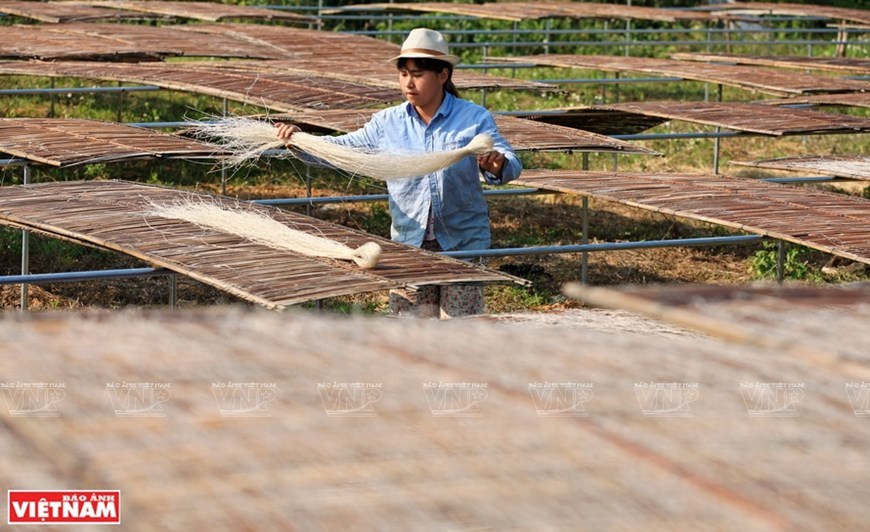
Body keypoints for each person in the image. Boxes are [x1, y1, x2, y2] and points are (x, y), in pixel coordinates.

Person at [276, 27, 522, 318]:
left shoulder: (473, 118)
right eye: (403, 74)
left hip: (462, 242)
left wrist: (498, 165)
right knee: (409, 328)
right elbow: (344, 149)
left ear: (443, 75)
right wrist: (301, 141)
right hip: (409, 242)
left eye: (418, 74)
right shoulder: (387, 123)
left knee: (460, 329)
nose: (409, 83)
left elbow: (510, 161)